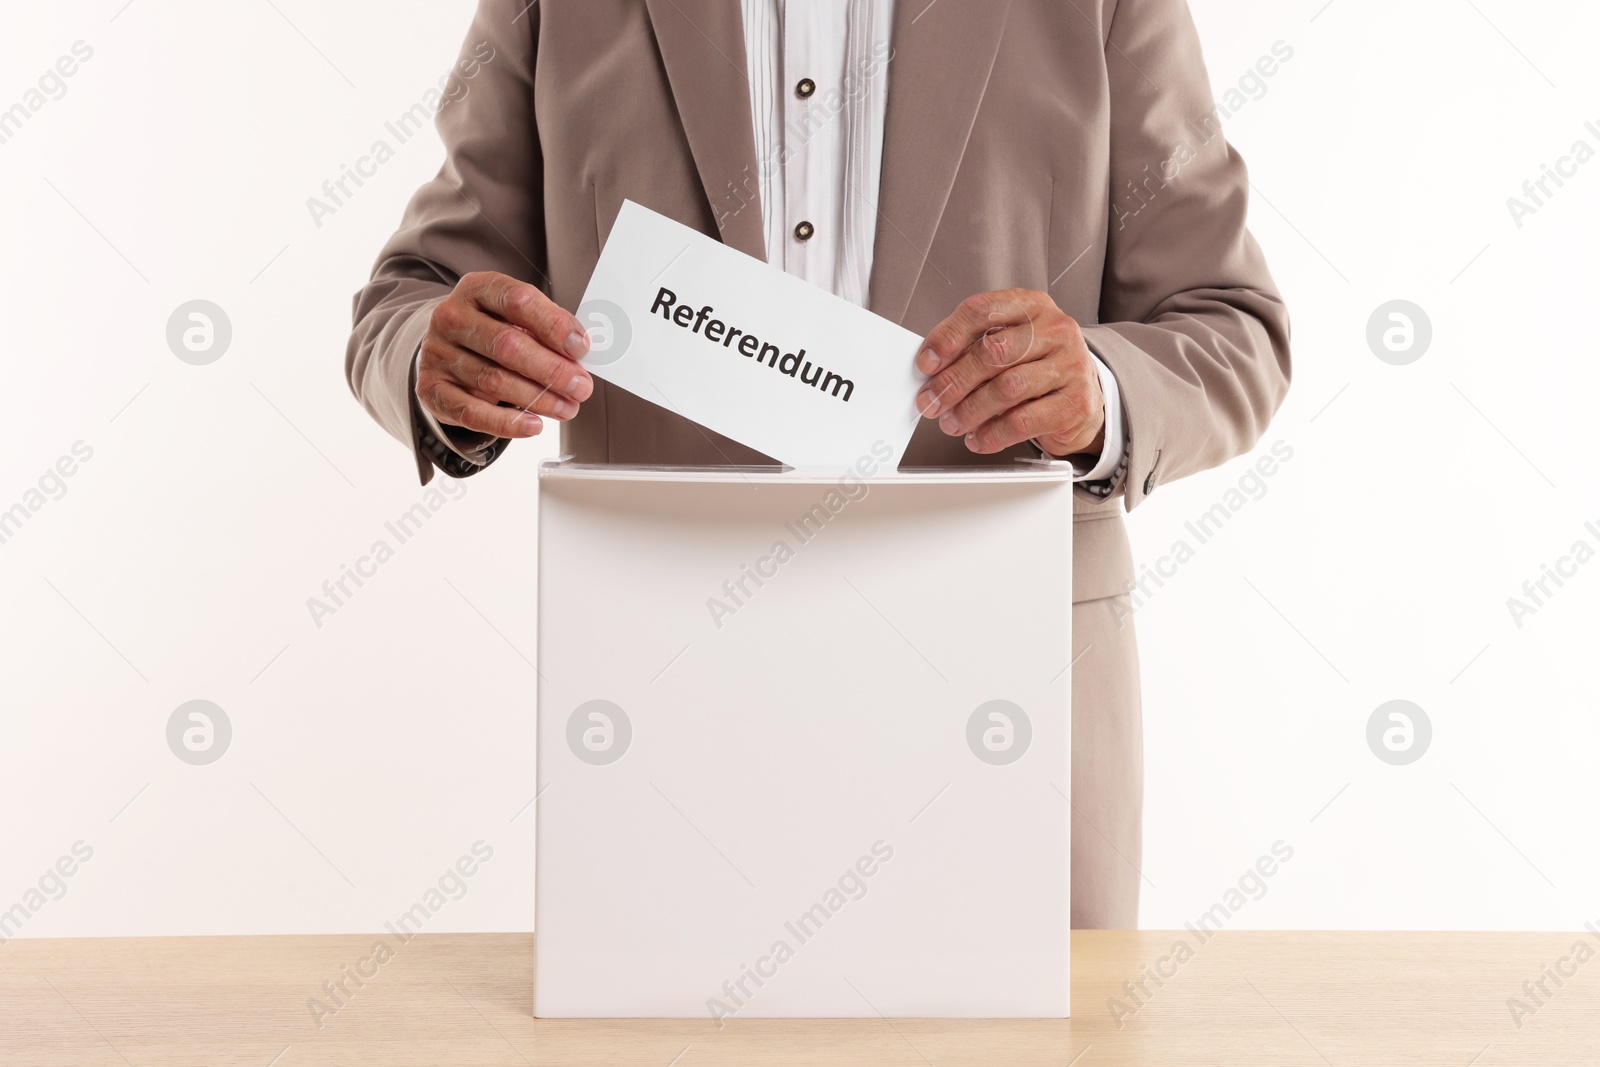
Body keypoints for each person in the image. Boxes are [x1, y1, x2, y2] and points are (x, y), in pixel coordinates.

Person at [346, 0, 1291, 928]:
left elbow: (1232, 325)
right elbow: (413, 294)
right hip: (663, 694)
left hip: (1010, 695)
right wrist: (439, 357)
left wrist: (1096, 387)